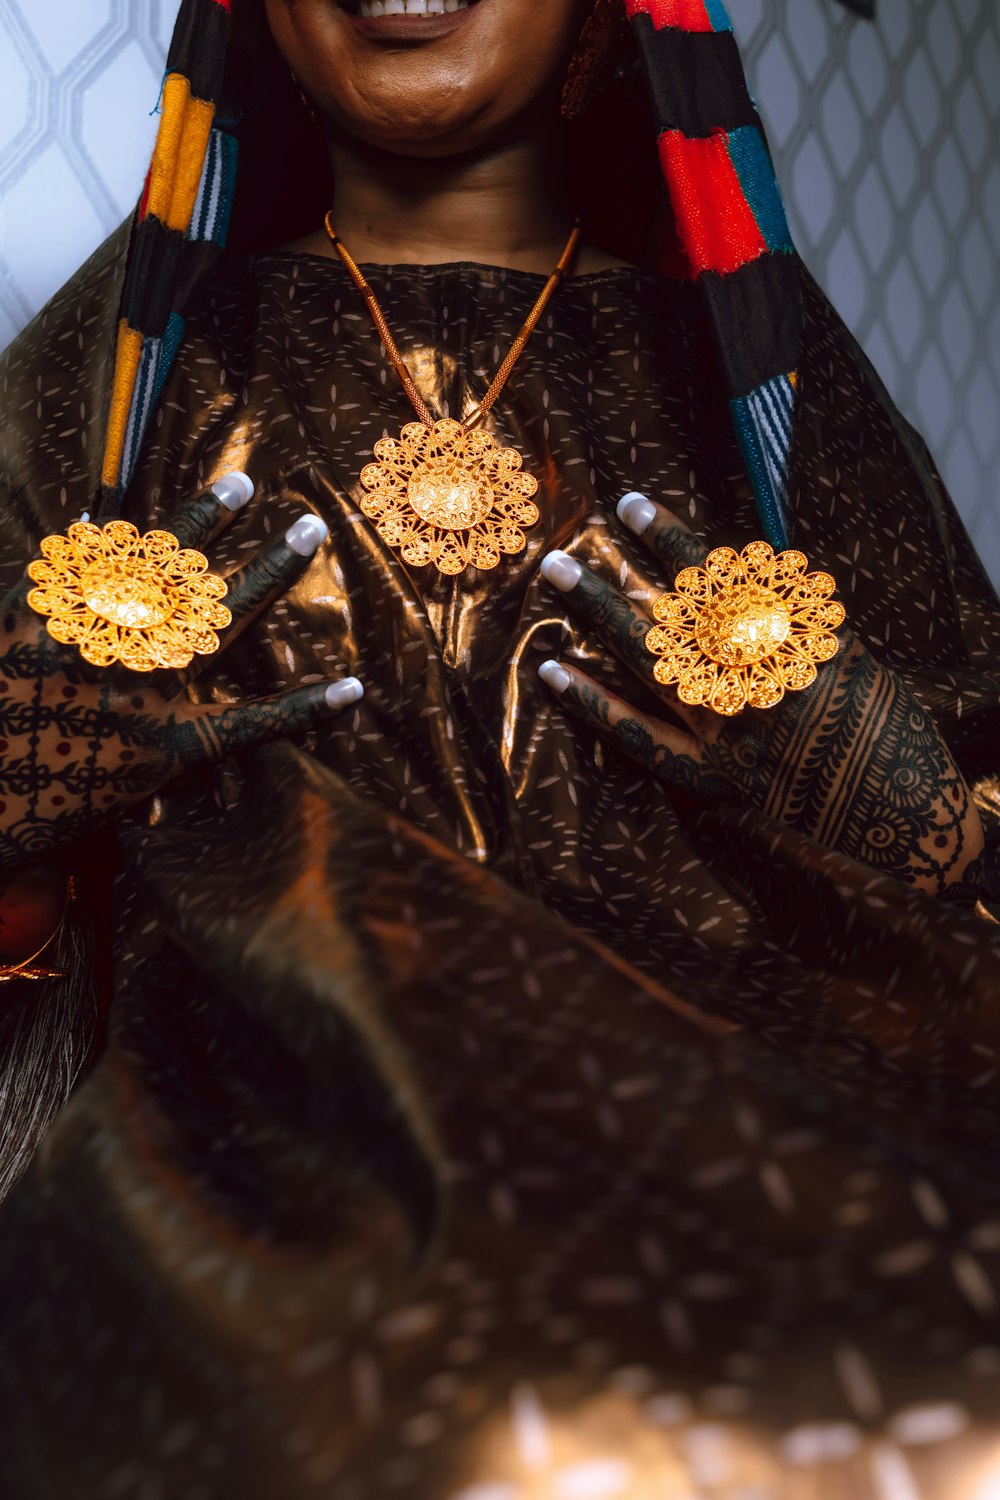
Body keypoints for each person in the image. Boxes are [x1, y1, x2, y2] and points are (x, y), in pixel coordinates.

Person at [0, 0, 998, 1494]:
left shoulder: (767, 392)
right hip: (251, 1214)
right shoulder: (124, 375)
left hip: (750, 1173)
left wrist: (916, 819)